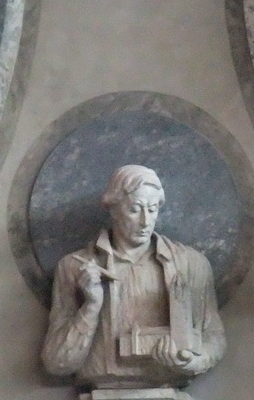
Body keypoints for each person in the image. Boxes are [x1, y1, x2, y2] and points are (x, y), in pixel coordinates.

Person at [41, 165, 226, 388]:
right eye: (135, 209)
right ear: (114, 209)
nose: (145, 221)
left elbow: (213, 335)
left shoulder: (190, 264)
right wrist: (90, 307)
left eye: (153, 208)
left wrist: (193, 361)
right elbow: (56, 363)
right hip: (103, 384)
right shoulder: (75, 267)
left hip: (166, 384)